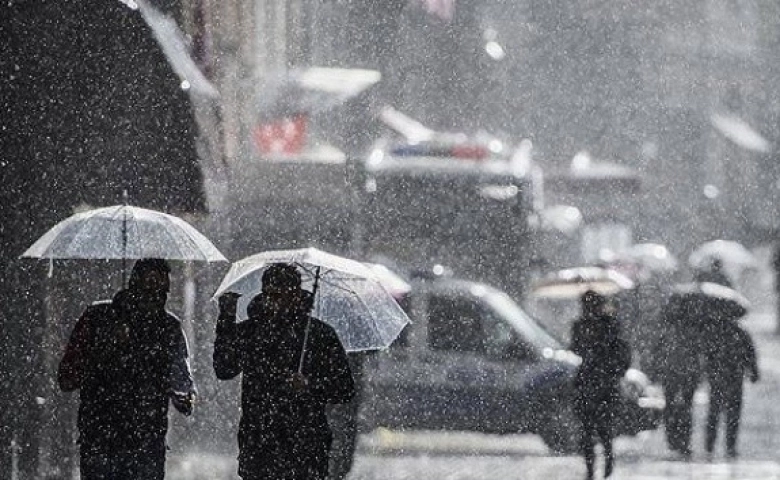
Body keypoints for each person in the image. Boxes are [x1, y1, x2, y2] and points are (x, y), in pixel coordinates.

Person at [214, 263, 355, 480]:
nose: (274, 303)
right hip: (259, 444)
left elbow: (344, 388)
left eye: (281, 296)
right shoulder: (252, 332)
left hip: (306, 447)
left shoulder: (318, 335)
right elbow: (224, 368)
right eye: (270, 295)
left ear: (297, 296)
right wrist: (226, 319)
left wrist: (309, 386)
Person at [58, 258, 196, 480]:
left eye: (163, 289)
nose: (156, 295)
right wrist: (108, 344)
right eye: (149, 285)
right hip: (101, 442)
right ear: (134, 284)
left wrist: (181, 395)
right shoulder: (97, 318)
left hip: (146, 446)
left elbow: (183, 389)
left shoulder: (169, 328)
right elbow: (67, 378)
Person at [569, 290, 631, 480]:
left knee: (603, 430)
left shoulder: (610, 324)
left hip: (604, 384)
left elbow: (620, 352)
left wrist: (611, 370)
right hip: (588, 382)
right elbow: (574, 347)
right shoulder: (580, 325)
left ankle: (607, 463)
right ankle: (591, 469)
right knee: (587, 431)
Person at [653, 291, 706, 458]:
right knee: (685, 408)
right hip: (687, 372)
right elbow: (700, 351)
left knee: (671, 406)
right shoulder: (694, 327)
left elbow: (658, 350)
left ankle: (674, 439)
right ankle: (683, 441)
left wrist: (657, 367)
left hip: (672, 372)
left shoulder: (667, 325)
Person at [703, 320, 759, 458]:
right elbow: (750, 354)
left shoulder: (714, 332)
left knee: (714, 413)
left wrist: (708, 371)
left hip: (718, 379)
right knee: (732, 414)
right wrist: (753, 372)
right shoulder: (741, 332)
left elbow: (707, 355)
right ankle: (730, 447)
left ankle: (710, 446)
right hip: (734, 378)